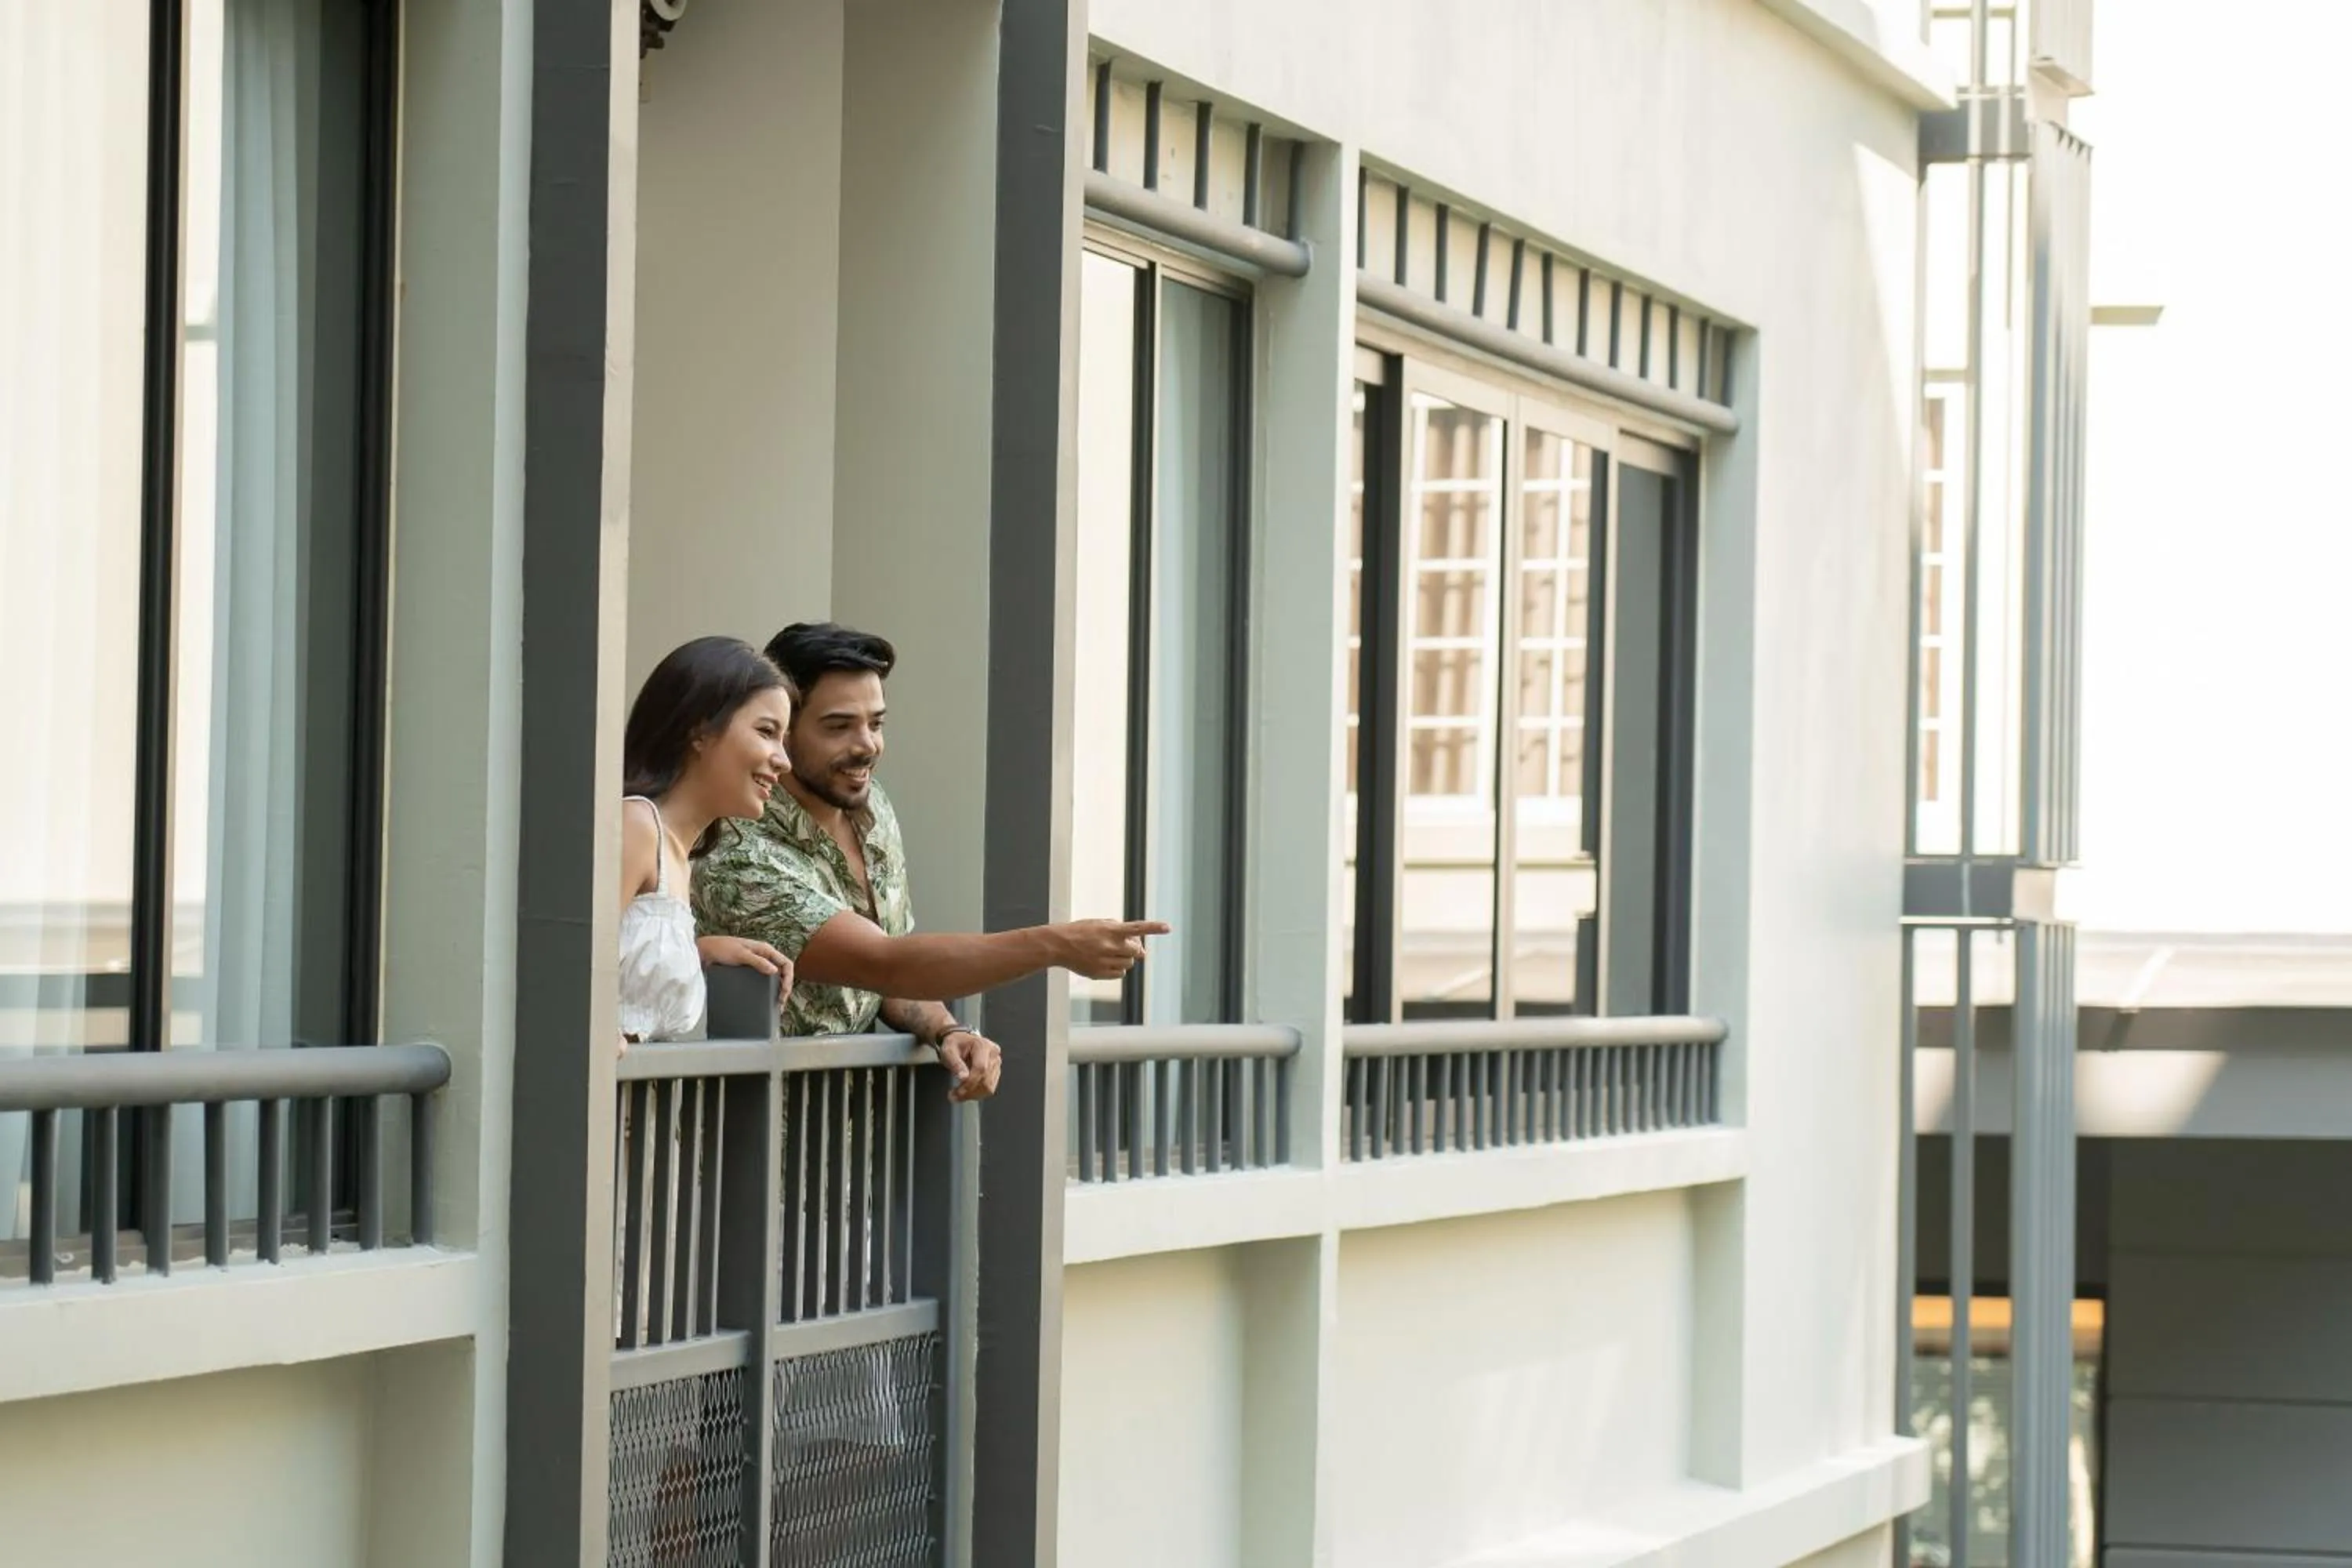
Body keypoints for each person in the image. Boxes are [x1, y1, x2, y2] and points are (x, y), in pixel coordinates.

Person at [692, 622, 1168, 1100]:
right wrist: (1057, 945)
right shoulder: (737, 854)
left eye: (876, 723)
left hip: (860, 1148)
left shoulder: (871, 804)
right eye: (839, 726)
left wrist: (946, 1030)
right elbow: (885, 964)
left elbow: (890, 973)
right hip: (755, 1151)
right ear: (782, 732)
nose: (867, 746)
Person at [618, 636, 798, 1045]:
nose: (783, 761)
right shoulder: (636, 826)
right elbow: (566, 961)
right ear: (699, 731)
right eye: (766, 732)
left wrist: (699, 950)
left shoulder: (684, 857)